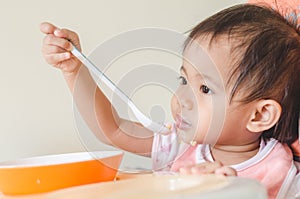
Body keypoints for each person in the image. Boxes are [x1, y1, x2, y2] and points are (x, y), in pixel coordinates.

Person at [40, 4, 300, 199]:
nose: (182, 99)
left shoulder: (281, 171)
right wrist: (75, 70)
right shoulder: (176, 144)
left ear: (260, 115)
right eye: (184, 80)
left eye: (205, 88)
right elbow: (112, 129)